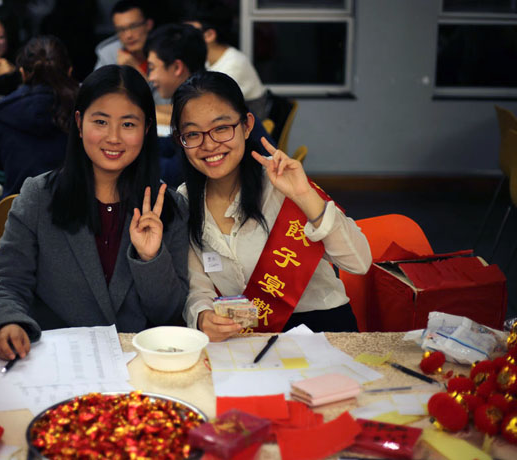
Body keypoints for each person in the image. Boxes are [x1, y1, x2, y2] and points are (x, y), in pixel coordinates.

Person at [0, 65, 190, 360]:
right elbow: (7, 283)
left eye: (128, 124)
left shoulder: (168, 207)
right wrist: (7, 322)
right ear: (79, 123)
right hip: (56, 361)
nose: (114, 137)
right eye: (101, 122)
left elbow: (170, 312)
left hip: (139, 366)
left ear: (146, 129)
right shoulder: (39, 196)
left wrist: (150, 259)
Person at [171, 72, 371, 342]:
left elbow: (359, 263)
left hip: (322, 330)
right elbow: (198, 287)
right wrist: (203, 316)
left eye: (221, 128)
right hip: (245, 339)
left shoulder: (282, 184)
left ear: (246, 125)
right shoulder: (184, 201)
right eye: (193, 134)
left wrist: (305, 195)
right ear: (180, 140)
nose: (208, 144)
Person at [144, 24, 274, 186]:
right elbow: (171, 145)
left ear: (177, 67)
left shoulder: (210, 103)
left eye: (152, 68)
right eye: (193, 134)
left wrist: (133, 159)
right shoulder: (208, 95)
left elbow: (175, 172)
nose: (150, 77)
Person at [0, 35, 79, 199]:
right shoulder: (87, 111)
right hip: (76, 219)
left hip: (15, 218)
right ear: (70, 71)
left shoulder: (0, 114)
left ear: (22, 73)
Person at [183, 2, 269, 119]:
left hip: (246, 131)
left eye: (189, 31)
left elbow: (203, 113)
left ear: (209, 35)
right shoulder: (210, 60)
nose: (183, 37)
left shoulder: (233, 65)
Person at [94, 0, 154, 77]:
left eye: (133, 26)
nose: (128, 35)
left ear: (148, 25)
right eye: (121, 30)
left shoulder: (162, 51)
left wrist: (136, 70)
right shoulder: (109, 53)